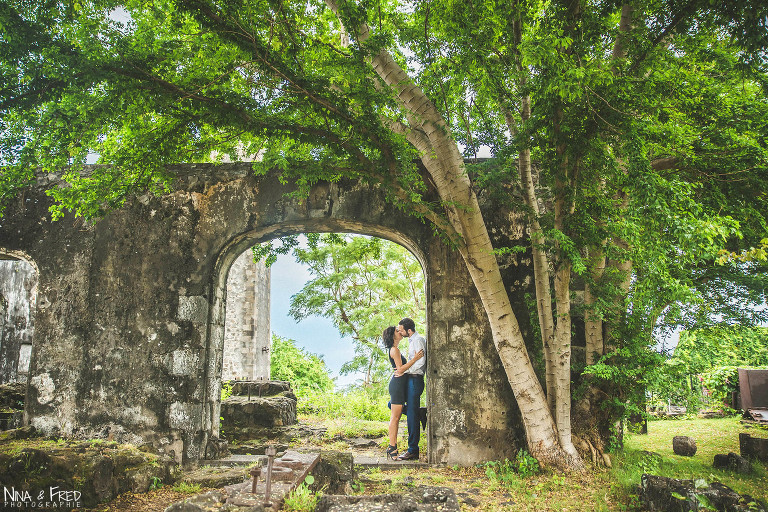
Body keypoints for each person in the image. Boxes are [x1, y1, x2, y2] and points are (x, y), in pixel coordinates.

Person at [382, 325, 424, 460]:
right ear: (392, 336)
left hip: (400, 384)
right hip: (398, 385)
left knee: (397, 414)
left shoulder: (396, 349)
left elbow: (400, 370)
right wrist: (415, 359)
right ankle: (392, 448)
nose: (399, 332)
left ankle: (420, 414)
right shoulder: (394, 350)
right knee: (395, 418)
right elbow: (400, 369)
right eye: (397, 331)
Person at [395, 317, 426, 461]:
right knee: (394, 405)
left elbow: (420, 363)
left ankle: (413, 450)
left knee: (411, 417)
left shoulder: (418, 340)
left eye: (401, 330)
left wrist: (404, 370)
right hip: (409, 379)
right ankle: (420, 413)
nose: (399, 332)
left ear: (408, 330)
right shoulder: (411, 340)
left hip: (415, 379)